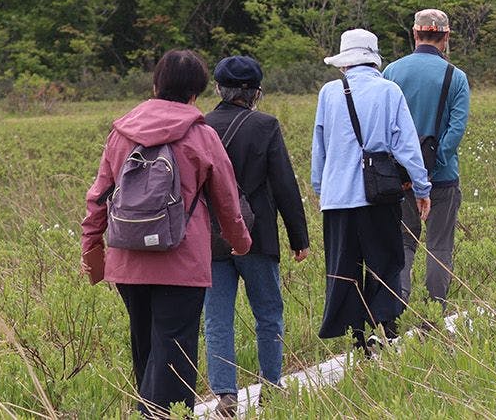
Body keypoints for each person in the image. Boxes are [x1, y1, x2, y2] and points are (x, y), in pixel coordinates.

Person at [82, 49, 252, 417]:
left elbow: (98, 197)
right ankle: (160, 414)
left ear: (156, 84)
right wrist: (241, 243)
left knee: (146, 346)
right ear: (197, 92)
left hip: (127, 259)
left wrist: (91, 248)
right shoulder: (202, 135)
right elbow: (227, 200)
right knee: (174, 350)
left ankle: (149, 411)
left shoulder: (120, 133)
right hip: (182, 262)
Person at [202, 56, 310, 417]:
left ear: (218, 88)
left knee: (217, 317)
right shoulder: (265, 126)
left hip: (212, 237)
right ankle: (272, 384)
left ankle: (225, 394)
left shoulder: (201, 126)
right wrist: (299, 238)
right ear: (256, 93)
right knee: (268, 312)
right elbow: (284, 185)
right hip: (257, 235)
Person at [311, 28, 431, 354]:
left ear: (344, 62)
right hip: (378, 196)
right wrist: (422, 188)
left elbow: (319, 146)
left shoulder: (328, 93)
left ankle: (357, 338)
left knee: (345, 269)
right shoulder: (389, 91)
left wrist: (321, 187)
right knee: (386, 261)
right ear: (374, 58)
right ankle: (386, 329)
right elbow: (406, 146)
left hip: (337, 200)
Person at [383, 8, 470, 310]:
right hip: (443, 177)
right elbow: (456, 128)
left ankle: (397, 305)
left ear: (415, 33)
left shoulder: (392, 72)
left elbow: (384, 125)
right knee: (439, 245)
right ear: (445, 37)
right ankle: (435, 310)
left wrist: (407, 168)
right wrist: (433, 166)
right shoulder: (456, 77)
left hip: (400, 176)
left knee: (404, 243)